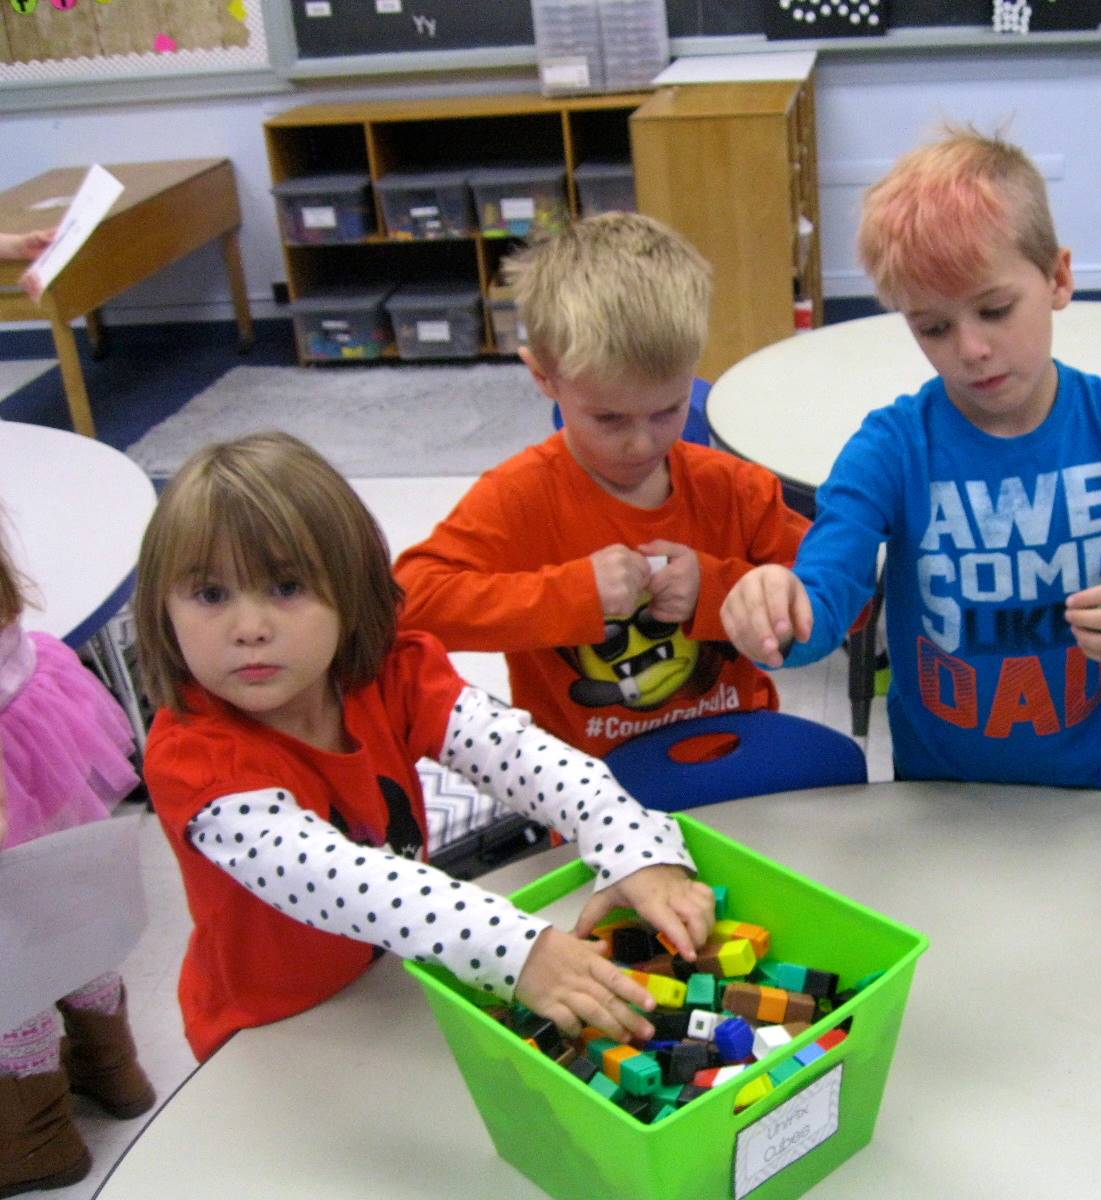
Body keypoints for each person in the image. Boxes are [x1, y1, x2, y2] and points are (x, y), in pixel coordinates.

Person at [136, 432, 715, 1066]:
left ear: (352, 592)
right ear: (162, 611)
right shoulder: (194, 758)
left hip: (398, 976)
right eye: (211, 595)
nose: (249, 628)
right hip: (273, 1033)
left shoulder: (389, 671)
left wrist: (629, 841)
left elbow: (519, 753)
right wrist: (518, 950)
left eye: (286, 588)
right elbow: (338, 880)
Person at [719, 127, 1101, 788]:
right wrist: (776, 613)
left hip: (1096, 788)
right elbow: (825, 596)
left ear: (1058, 278)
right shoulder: (891, 448)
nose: (971, 348)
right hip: (939, 792)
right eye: (933, 327)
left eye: (994, 309)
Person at [394, 212, 809, 758]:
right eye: (610, 420)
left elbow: (845, 597)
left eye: (669, 410)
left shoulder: (736, 489)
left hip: (734, 756)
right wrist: (574, 596)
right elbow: (407, 604)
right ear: (543, 376)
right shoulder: (521, 496)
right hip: (590, 785)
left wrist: (720, 589)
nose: (642, 444)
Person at [0, 516, 151, 1197]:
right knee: (69, 919)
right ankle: (113, 1067)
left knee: (8, 966)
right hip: (35, 735)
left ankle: (37, 1138)